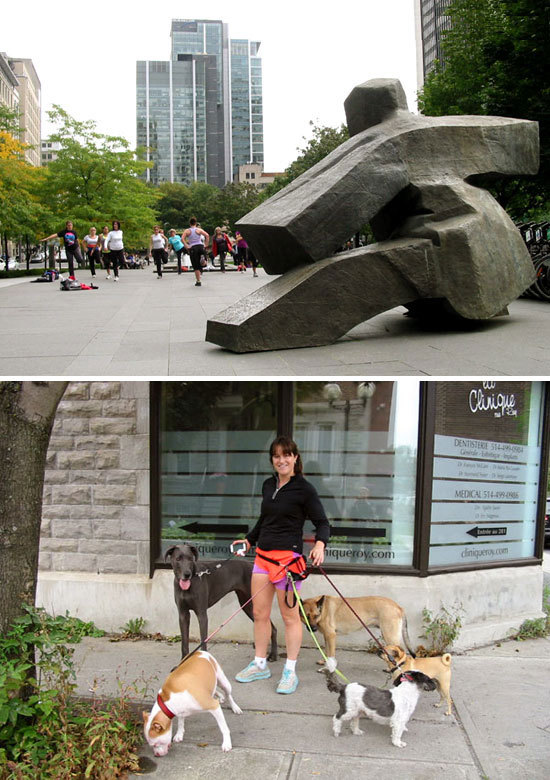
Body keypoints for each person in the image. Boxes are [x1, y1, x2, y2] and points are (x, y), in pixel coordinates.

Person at [231, 436, 330, 695]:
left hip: (288, 563)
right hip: (262, 558)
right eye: (276, 456)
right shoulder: (268, 485)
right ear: (272, 460)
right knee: (260, 614)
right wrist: (249, 541)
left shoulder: (305, 489)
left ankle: (290, 671)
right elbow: (265, 519)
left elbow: (323, 523)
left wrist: (320, 545)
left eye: (286, 455)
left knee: (290, 618)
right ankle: (260, 663)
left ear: (295, 457)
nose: (281, 460)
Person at [183, 217, 209, 287]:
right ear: (195, 223)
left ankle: (198, 281)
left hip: (193, 248)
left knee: (196, 266)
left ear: (189, 223)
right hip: (201, 246)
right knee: (202, 262)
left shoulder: (187, 231)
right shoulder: (199, 230)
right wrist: (206, 245)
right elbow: (207, 235)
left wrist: (186, 246)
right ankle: (204, 262)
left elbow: (182, 239)